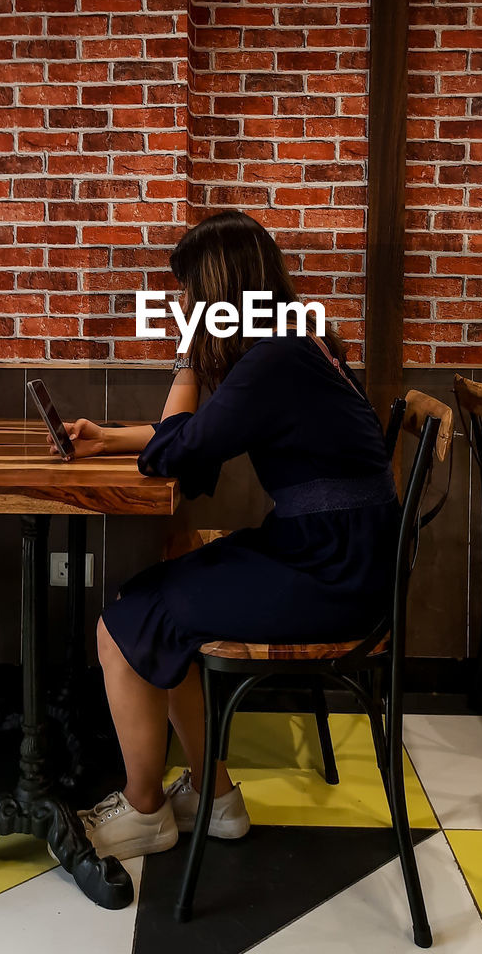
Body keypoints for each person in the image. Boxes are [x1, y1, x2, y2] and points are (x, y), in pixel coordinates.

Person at [47, 209, 399, 864]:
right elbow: (200, 438)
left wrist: (185, 358)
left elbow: (177, 455)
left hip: (332, 570)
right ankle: (215, 795)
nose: (183, 307)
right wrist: (108, 437)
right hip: (338, 551)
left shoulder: (277, 359)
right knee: (159, 600)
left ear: (217, 295)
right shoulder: (299, 341)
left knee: (125, 618)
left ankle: (146, 810)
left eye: (190, 295)